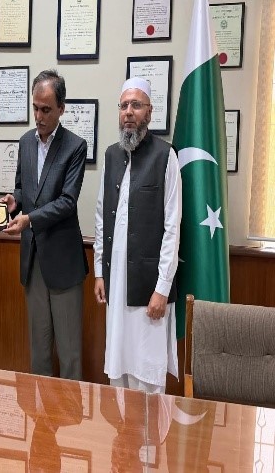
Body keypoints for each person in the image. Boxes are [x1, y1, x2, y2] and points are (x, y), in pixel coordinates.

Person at [94, 77, 182, 394]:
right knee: (118, 374)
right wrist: (100, 272)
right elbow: (101, 216)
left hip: (149, 289)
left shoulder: (165, 156)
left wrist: (162, 289)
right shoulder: (111, 155)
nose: (129, 112)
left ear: (149, 112)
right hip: (116, 284)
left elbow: (172, 227)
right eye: (124, 105)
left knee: (147, 377)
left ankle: (151, 432)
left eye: (136, 105)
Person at [4, 69, 88, 380]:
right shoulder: (26, 142)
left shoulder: (75, 146)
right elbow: (23, 189)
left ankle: (69, 415)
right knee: (39, 354)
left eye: (46, 110)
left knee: (69, 356)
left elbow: (67, 201)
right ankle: (39, 412)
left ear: (61, 109)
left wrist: (29, 219)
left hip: (63, 263)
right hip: (33, 260)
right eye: (35, 108)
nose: (38, 117)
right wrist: (13, 201)